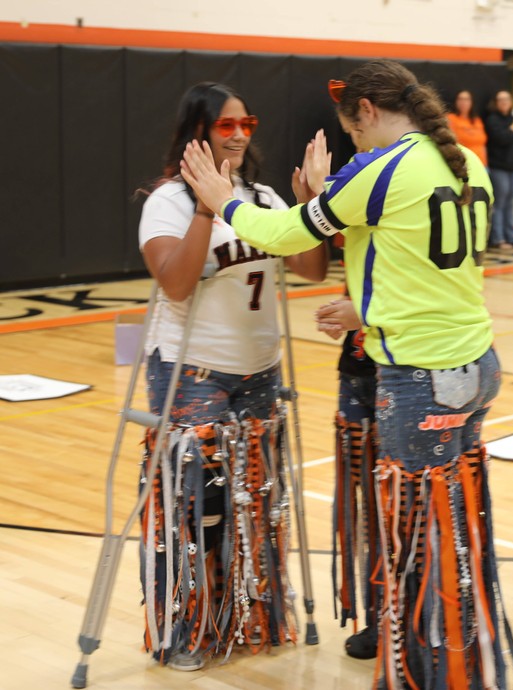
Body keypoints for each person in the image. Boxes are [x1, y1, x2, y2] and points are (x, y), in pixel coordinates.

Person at [181, 59, 513, 689]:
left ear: (366, 111)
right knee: (453, 527)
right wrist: (329, 197)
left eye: (354, 134)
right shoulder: (463, 161)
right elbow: (425, 269)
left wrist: (221, 200)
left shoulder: (383, 167)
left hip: (420, 379)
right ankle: (458, 665)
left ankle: (427, 675)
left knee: (414, 539)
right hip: (477, 365)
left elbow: (285, 234)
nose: (354, 148)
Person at [138, 81, 329, 671]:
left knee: (256, 502)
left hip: (260, 372)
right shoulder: (166, 203)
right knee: (197, 505)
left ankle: (248, 617)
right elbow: (174, 282)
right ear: (198, 130)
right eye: (227, 125)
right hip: (193, 372)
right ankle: (186, 628)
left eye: (247, 122)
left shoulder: (264, 199)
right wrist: (205, 205)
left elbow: (312, 269)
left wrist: (310, 209)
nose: (241, 133)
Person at [316, 295, 380, 661]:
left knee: (405, 504)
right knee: (366, 508)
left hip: (408, 373)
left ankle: (415, 618)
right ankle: (379, 616)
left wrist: (366, 312)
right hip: (357, 373)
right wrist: (343, 315)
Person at [485, 90, 513, 250]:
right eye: (501, 100)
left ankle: (511, 237)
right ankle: (498, 238)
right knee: (500, 203)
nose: (504, 102)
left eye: (507, 99)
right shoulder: (493, 120)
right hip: (499, 168)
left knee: (511, 204)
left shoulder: (512, 118)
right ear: (496, 103)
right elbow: (503, 138)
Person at [447, 89, 488, 167]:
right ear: (456, 101)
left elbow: (483, 144)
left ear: (471, 102)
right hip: (465, 164)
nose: (463, 102)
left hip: (481, 163)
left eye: (466, 99)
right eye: (460, 99)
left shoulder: (477, 120)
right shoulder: (450, 118)